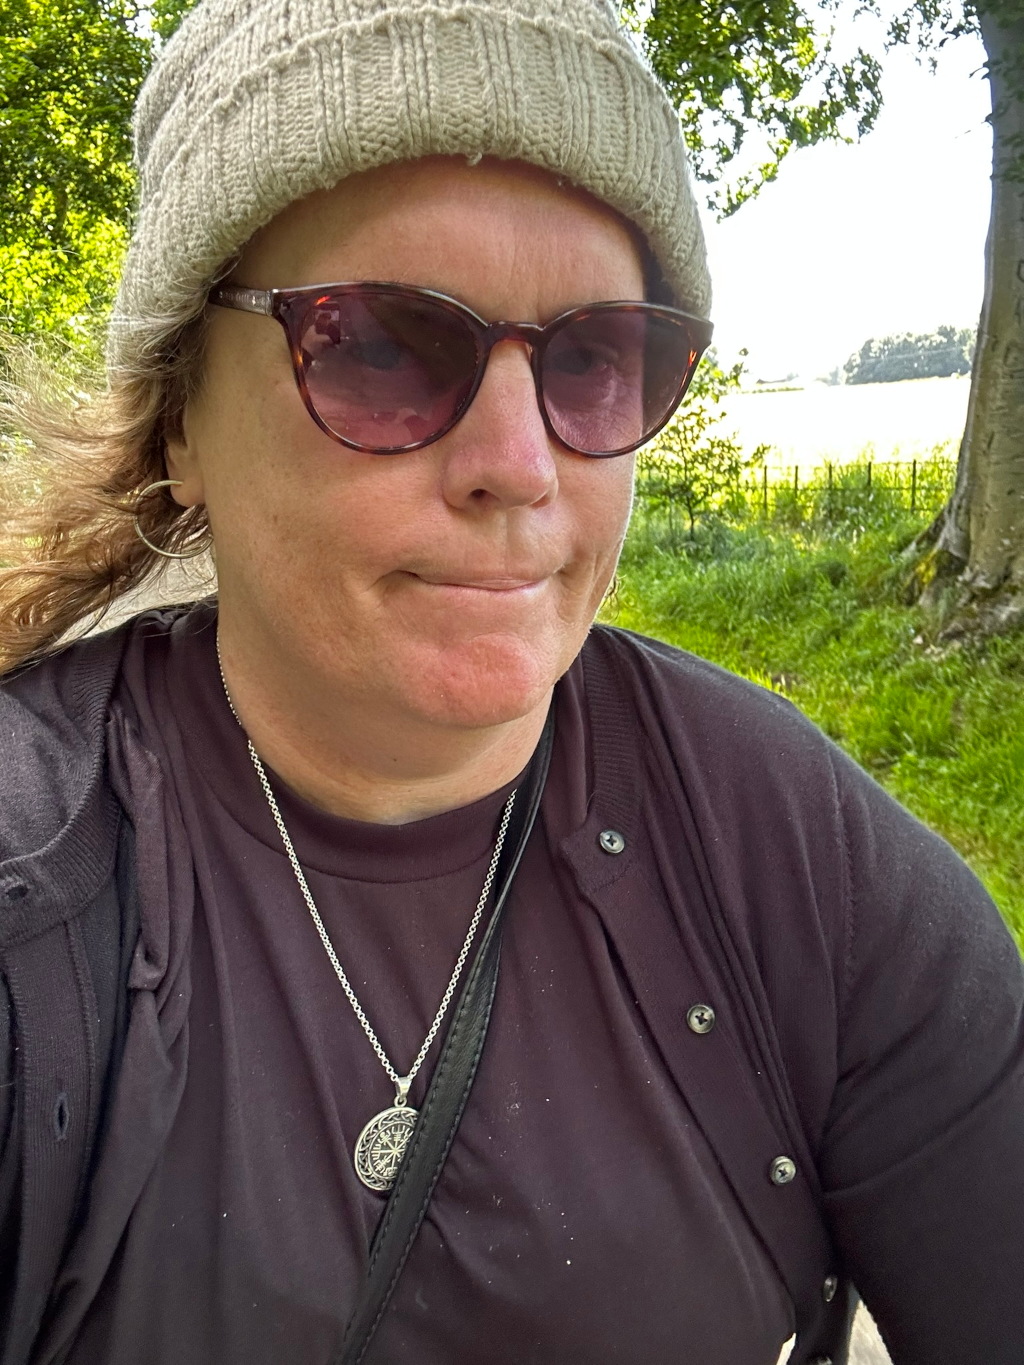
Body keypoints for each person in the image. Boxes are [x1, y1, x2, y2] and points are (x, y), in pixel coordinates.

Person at [1, 0, 1022, 1362]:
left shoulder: (805, 871)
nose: (519, 463)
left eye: (594, 359)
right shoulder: (37, 890)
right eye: (379, 343)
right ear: (182, 414)